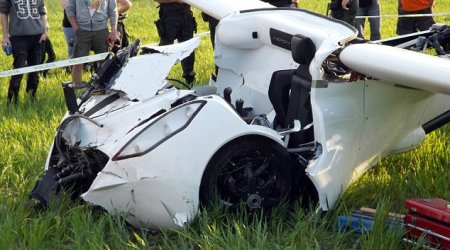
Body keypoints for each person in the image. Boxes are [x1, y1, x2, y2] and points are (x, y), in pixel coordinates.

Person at [0, 0, 48, 105]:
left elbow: (42, 10)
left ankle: (31, 100)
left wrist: (45, 31)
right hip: (18, 38)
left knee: (35, 73)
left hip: (38, 37)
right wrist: (5, 36)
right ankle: (12, 103)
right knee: (18, 71)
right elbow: (3, 12)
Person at [66, 0, 119, 85]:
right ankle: (77, 87)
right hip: (82, 30)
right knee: (78, 62)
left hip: (101, 30)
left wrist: (113, 31)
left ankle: (102, 87)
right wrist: (74, 26)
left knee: (103, 62)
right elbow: (69, 8)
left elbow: (113, 10)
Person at [154, 0, 196, 84]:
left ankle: (189, 78)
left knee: (188, 48)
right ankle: (159, 78)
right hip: (168, 17)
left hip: (185, 16)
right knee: (165, 49)